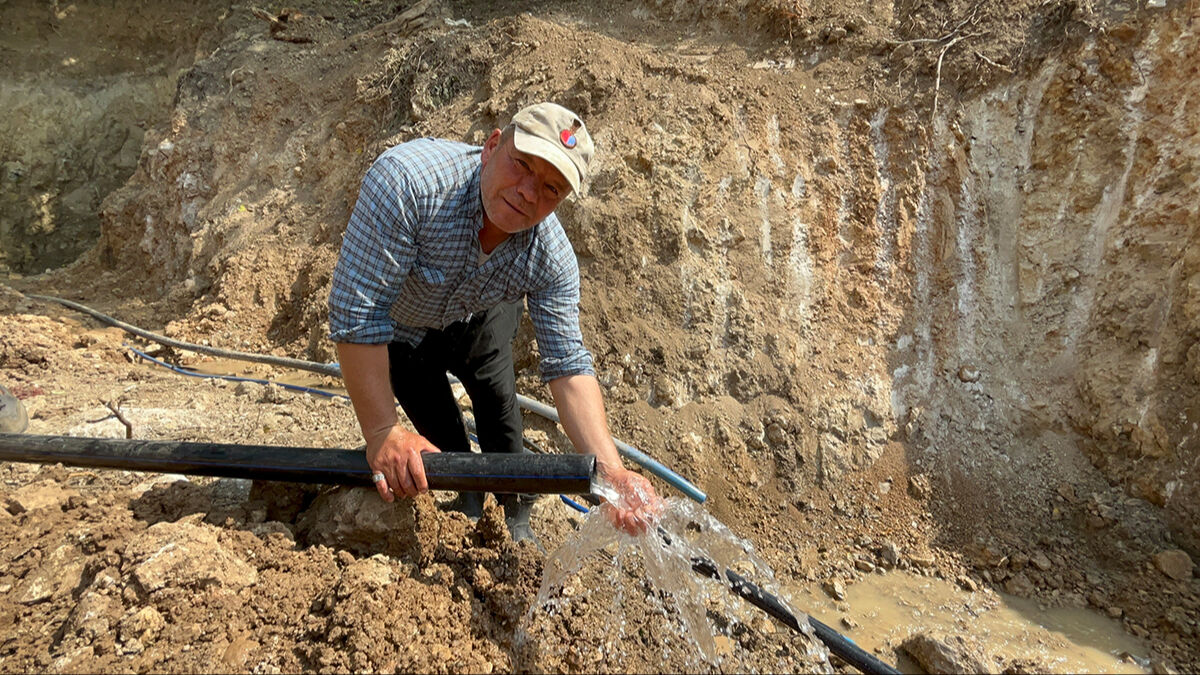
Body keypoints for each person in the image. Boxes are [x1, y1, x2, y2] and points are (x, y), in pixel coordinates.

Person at [328, 102, 661, 543]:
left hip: (479, 316)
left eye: (550, 188)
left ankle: (512, 511)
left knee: (500, 409)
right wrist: (382, 433)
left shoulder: (550, 255)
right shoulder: (407, 184)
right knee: (438, 432)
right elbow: (359, 314)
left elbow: (568, 365)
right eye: (521, 165)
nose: (528, 192)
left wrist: (611, 473)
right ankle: (466, 503)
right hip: (402, 327)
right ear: (491, 146)